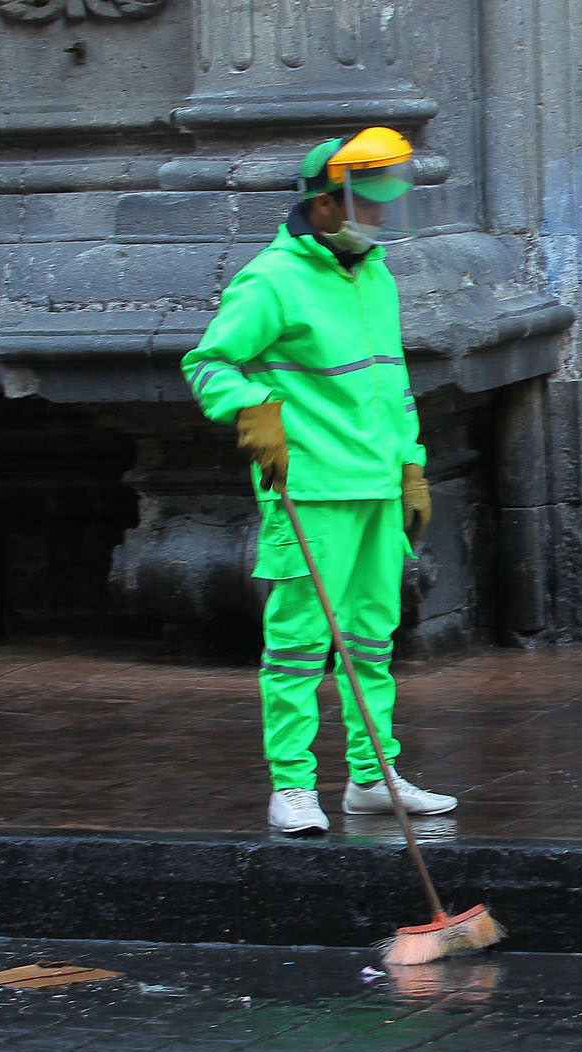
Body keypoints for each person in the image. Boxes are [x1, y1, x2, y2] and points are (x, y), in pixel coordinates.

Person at [180, 128, 457, 833]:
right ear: (328, 206)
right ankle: (293, 786)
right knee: (300, 641)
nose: (385, 216)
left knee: (371, 637)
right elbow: (209, 362)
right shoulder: (272, 279)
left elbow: (390, 384)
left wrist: (411, 461)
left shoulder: (374, 275)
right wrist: (251, 411)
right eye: (371, 203)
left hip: (378, 488)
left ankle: (372, 777)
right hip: (308, 489)